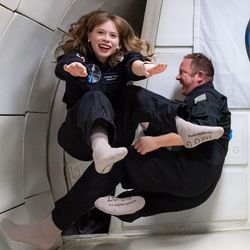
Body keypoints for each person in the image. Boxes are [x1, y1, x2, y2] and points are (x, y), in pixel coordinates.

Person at [1, 53, 231, 250]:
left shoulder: (206, 96)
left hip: (195, 171)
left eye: (183, 72)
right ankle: (131, 205)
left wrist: (157, 141)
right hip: (199, 188)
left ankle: (47, 229)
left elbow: (201, 132)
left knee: (117, 162)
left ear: (200, 77)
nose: (177, 76)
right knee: (128, 202)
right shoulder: (195, 104)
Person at [53, 10, 167, 174]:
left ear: (119, 43)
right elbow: (66, 63)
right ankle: (101, 148)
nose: (106, 38)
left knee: (132, 92)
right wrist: (72, 69)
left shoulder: (121, 61)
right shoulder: (79, 56)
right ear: (89, 35)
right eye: (100, 32)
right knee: (95, 96)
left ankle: (181, 122)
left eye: (113, 35)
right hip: (79, 138)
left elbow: (133, 63)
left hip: (116, 137)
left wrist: (145, 67)